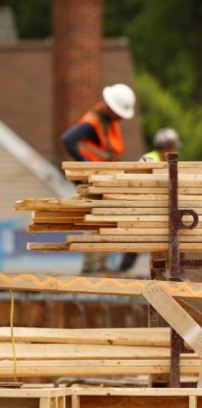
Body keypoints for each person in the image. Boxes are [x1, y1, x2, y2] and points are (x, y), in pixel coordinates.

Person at [60, 83, 136, 273]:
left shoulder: (109, 123)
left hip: (104, 179)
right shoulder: (91, 123)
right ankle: (91, 267)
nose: (120, 117)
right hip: (92, 180)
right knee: (96, 220)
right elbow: (67, 139)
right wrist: (87, 167)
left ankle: (99, 265)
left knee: (106, 219)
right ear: (110, 107)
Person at [117, 127, 183, 273]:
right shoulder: (149, 159)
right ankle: (123, 270)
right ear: (165, 147)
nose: (176, 151)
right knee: (138, 239)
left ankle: (159, 272)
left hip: (161, 209)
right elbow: (137, 184)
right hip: (144, 207)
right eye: (173, 147)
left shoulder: (171, 162)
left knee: (162, 240)